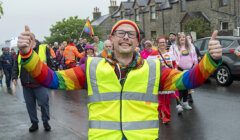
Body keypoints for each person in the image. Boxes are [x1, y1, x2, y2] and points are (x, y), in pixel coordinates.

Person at [17, 20, 222, 140]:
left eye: (131, 34)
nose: (126, 37)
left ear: (137, 41)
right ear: (112, 39)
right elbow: (53, 80)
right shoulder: (91, 67)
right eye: (121, 33)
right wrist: (28, 55)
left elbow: (188, 80)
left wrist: (210, 60)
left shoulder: (154, 68)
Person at [12, 39, 53, 132]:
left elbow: (50, 64)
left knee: (43, 103)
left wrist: (51, 78)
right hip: (26, 84)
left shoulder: (43, 48)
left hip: (41, 83)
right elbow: (16, 65)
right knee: (30, 105)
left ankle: (46, 121)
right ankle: (34, 123)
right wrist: (14, 76)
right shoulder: (21, 51)